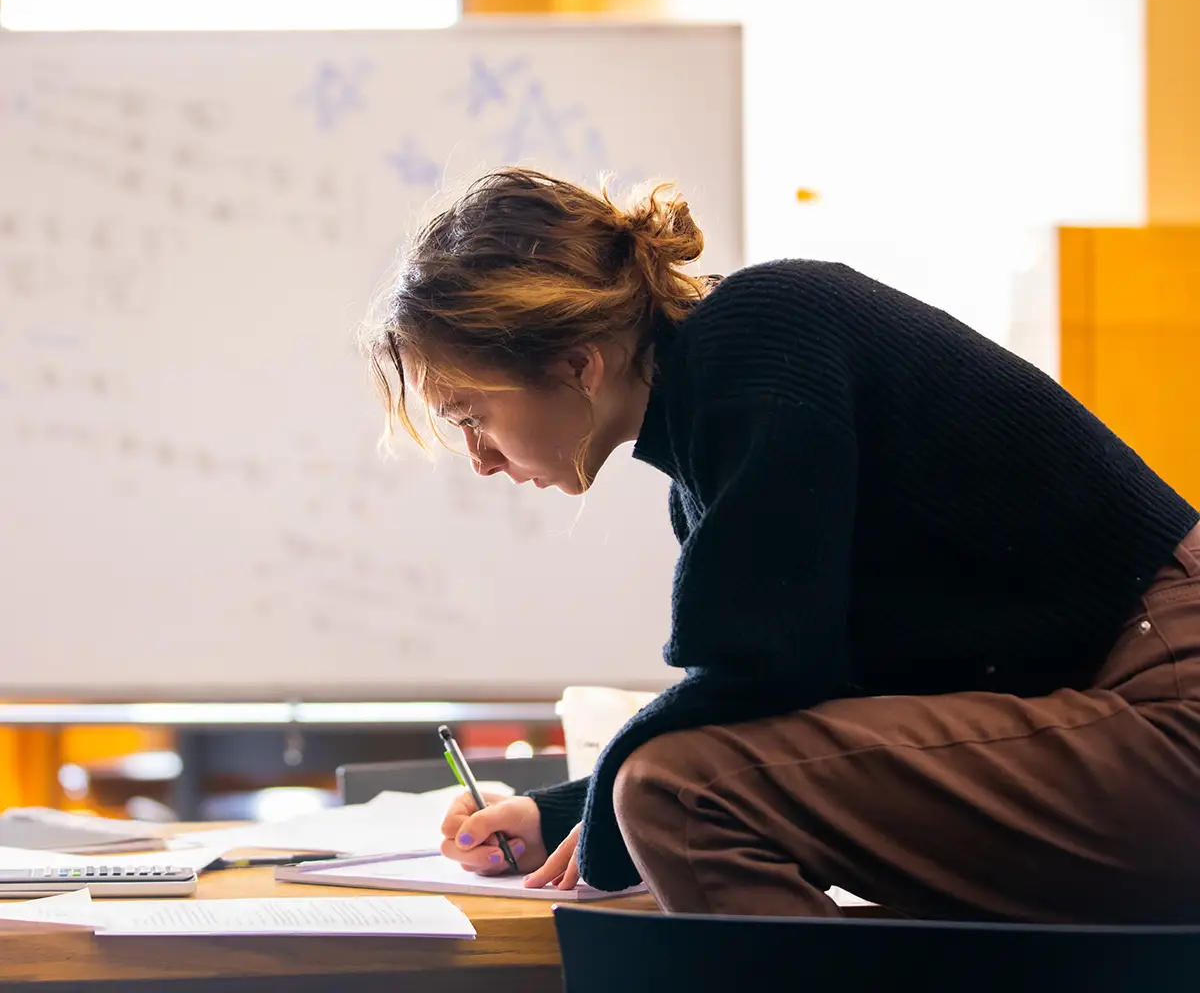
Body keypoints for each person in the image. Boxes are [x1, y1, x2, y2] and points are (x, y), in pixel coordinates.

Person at [360, 167, 1200, 923]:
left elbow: (764, 670)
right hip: (1114, 705)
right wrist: (563, 813)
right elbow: (789, 696)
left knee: (675, 794)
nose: (478, 458)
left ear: (578, 367)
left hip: (1167, 698)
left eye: (473, 416)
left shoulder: (759, 334)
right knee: (668, 787)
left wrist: (606, 806)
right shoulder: (707, 423)